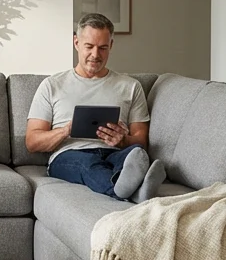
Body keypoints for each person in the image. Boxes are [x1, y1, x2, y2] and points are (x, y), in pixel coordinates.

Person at [25, 12, 166, 203]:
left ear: (111, 46)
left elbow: (141, 141)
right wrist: (65, 131)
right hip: (69, 156)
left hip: (113, 153)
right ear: (76, 42)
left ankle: (130, 184)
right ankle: (132, 191)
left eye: (103, 48)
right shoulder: (52, 85)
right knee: (88, 164)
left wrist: (123, 141)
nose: (95, 55)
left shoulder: (130, 86)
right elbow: (32, 142)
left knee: (136, 154)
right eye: (89, 46)